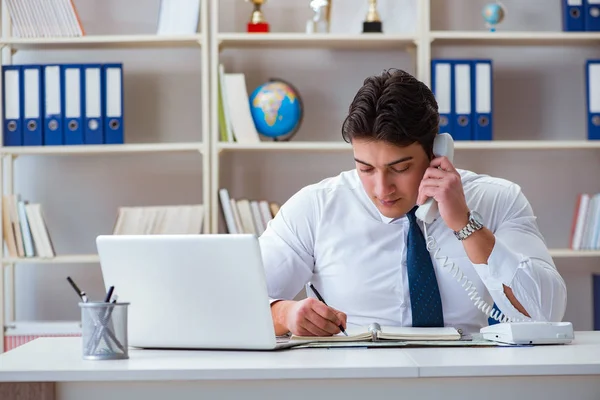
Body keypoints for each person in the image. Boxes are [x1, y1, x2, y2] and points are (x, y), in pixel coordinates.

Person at [259, 68, 567, 336]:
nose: (382, 188)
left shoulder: (498, 199)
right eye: (365, 169)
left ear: (437, 152)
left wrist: (466, 224)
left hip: (465, 379)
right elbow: (233, 302)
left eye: (400, 168)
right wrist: (284, 314)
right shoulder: (315, 207)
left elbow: (547, 313)